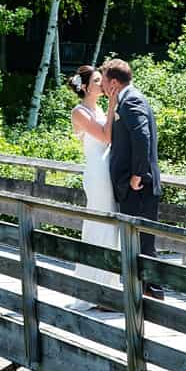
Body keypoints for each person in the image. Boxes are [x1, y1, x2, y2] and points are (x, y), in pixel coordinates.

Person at [100, 58, 165, 301]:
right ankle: (141, 293)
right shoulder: (123, 100)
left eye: (104, 80)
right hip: (133, 185)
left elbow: (142, 137)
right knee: (137, 241)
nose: (103, 86)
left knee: (144, 242)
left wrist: (138, 174)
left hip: (139, 185)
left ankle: (154, 293)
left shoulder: (132, 99)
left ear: (114, 81)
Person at [65, 65, 120, 311]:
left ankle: (110, 287)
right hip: (98, 172)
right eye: (97, 80)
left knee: (112, 225)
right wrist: (112, 105)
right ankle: (94, 289)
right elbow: (105, 136)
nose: (102, 83)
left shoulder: (97, 108)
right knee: (100, 224)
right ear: (86, 87)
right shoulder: (80, 112)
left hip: (109, 166)